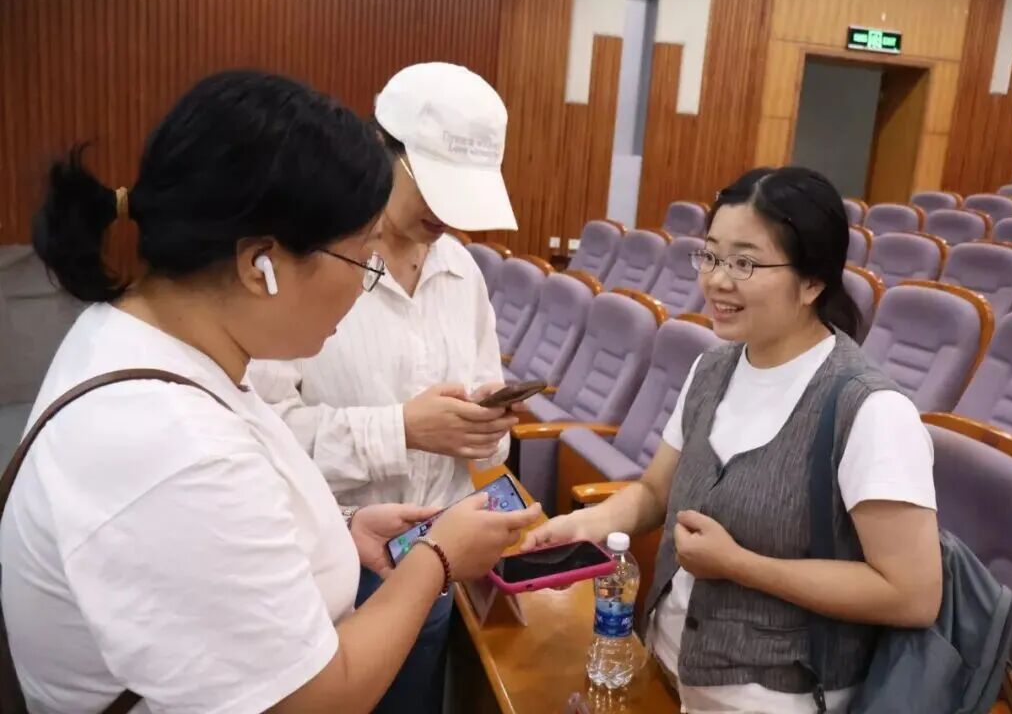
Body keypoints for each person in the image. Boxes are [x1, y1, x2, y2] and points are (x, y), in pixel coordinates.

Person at [0, 70, 540, 714]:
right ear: (261, 265)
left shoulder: (157, 348)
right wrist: (437, 557)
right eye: (360, 259)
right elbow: (313, 700)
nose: (366, 283)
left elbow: (244, 497)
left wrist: (340, 527)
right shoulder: (171, 446)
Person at [522, 167, 942, 713]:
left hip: (776, 697)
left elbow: (911, 594)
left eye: (744, 263)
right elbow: (655, 493)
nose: (718, 281)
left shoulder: (871, 410)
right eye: (711, 256)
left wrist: (741, 565)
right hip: (664, 664)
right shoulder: (712, 368)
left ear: (812, 282)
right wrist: (583, 527)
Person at [248, 62, 519, 713]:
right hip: (328, 563)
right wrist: (401, 429)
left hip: (434, 558)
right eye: (432, 188)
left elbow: (488, 443)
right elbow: (261, 434)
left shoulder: (462, 273)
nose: (445, 214)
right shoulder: (311, 263)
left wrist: (483, 431)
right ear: (379, 149)